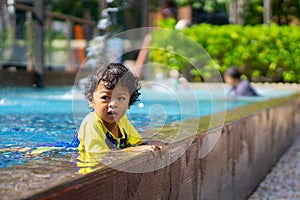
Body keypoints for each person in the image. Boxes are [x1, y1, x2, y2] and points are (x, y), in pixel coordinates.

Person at [78, 62, 164, 153]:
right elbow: (100, 156)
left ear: (129, 103)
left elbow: (135, 143)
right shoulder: (91, 123)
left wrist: (152, 143)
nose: (113, 104)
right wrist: (133, 150)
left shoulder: (122, 120)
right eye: (105, 97)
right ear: (91, 99)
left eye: (120, 98)